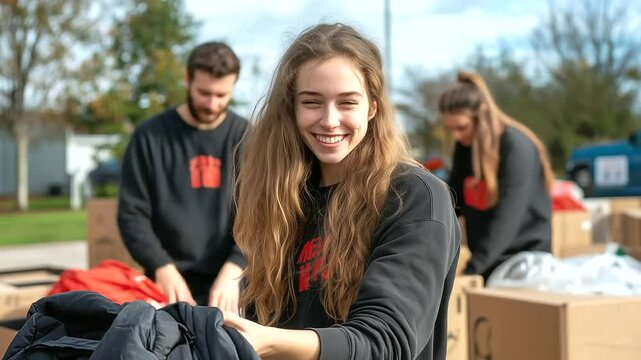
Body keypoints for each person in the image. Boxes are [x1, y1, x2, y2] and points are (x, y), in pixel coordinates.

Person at [223, 23, 460, 360]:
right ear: (291, 108)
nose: (330, 120)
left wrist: (269, 341)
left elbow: (386, 341)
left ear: (373, 107)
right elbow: (261, 317)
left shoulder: (413, 196)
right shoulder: (282, 197)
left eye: (347, 102)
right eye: (312, 102)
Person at [117, 42, 248, 309]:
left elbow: (264, 215)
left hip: (234, 281)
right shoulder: (149, 137)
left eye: (222, 95)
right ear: (187, 79)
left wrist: (237, 267)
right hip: (166, 281)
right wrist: (160, 265)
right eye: (204, 93)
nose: (212, 104)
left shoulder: (248, 138)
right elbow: (132, 214)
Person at [439, 71, 555, 280]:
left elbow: (507, 217)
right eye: (450, 129)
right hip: (490, 262)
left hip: (524, 263)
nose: (456, 135)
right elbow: (453, 201)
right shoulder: (466, 147)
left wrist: (473, 269)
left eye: (461, 127)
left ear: (482, 113)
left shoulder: (515, 146)